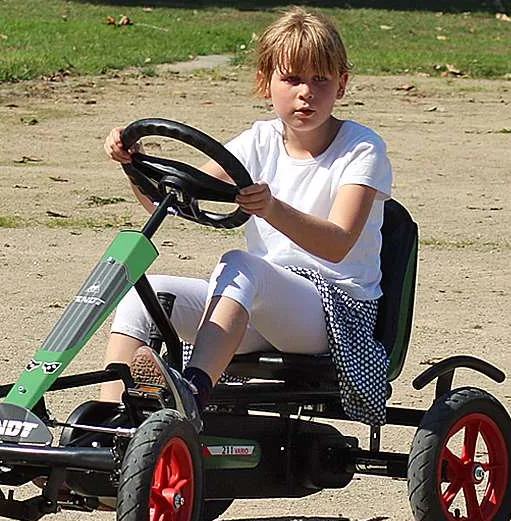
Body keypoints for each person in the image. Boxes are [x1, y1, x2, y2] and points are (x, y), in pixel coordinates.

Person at [100, 7, 394, 427]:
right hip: (259, 305)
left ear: (342, 85)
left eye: (320, 80)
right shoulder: (260, 139)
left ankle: (193, 393)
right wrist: (134, 166)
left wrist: (272, 208)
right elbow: (175, 200)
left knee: (240, 265)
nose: (306, 93)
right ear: (265, 82)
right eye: (292, 79)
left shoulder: (362, 149)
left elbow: (338, 243)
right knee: (142, 294)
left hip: (337, 312)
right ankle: (108, 424)